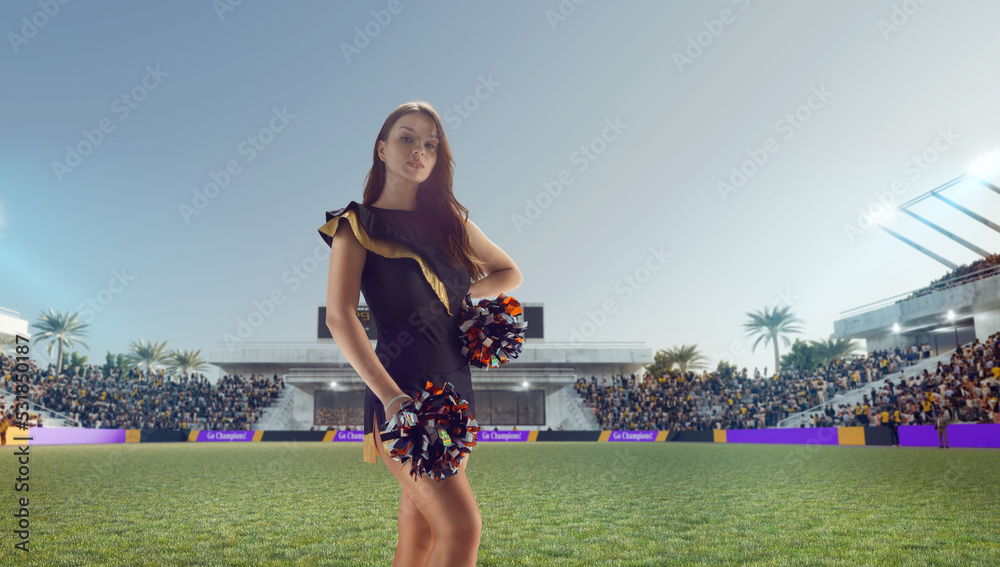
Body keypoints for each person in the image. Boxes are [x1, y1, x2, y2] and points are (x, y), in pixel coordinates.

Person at [320, 100, 523, 567]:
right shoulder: (357, 225)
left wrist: (461, 299)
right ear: (382, 149)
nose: (419, 151)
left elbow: (509, 272)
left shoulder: (450, 222)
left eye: (430, 144)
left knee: (421, 529)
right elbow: (340, 317)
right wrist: (391, 399)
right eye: (407, 138)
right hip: (405, 394)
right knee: (461, 529)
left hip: (458, 390)